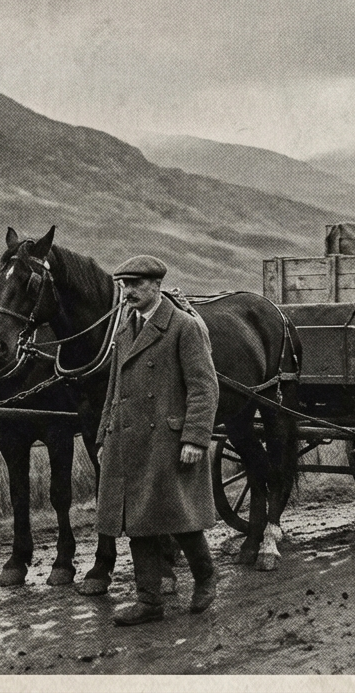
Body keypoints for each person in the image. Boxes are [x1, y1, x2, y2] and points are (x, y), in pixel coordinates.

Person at [94, 255, 220, 625]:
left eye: (136, 284)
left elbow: (204, 387)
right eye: (125, 284)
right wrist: (103, 436)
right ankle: (149, 602)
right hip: (127, 440)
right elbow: (113, 390)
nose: (128, 291)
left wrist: (195, 437)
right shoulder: (124, 330)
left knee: (181, 518)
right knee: (136, 522)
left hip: (168, 440)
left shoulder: (183, 326)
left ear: (157, 285)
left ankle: (206, 577)